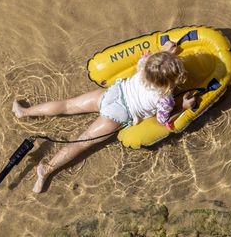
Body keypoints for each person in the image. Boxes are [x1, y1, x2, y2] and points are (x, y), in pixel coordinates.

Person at [11, 40, 200, 193]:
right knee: (82, 141)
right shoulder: (164, 97)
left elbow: (148, 60)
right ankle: (46, 170)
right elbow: (162, 119)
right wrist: (182, 105)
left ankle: (25, 112)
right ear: (169, 84)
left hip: (112, 94)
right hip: (118, 115)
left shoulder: (144, 67)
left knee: (67, 105)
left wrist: (166, 52)